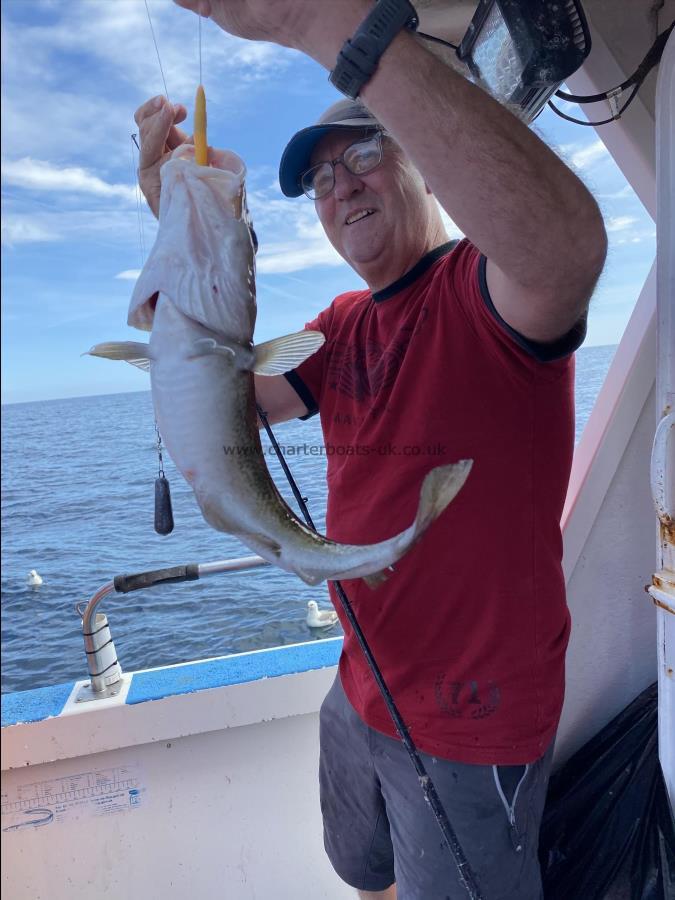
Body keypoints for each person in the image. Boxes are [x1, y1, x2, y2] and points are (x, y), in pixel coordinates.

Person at [135, 2, 607, 897]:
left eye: (362, 154)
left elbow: (565, 253)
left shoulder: (484, 294)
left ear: (424, 167)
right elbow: (224, 402)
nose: (341, 187)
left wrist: (319, 23)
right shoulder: (345, 324)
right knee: (366, 872)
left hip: (474, 724)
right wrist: (179, 228)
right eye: (320, 180)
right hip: (360, 683)